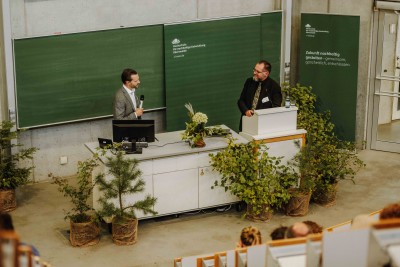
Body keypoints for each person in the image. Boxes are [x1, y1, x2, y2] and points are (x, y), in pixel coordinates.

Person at [237, 60, 282, 131]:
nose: (254, 73)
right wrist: (246, 111)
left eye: (258, 71)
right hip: (246, 123)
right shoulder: (249, 82)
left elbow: (276, 109)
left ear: (266, 73)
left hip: (263, 127)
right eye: (254, 70)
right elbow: (241, 100)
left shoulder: (274, 87)